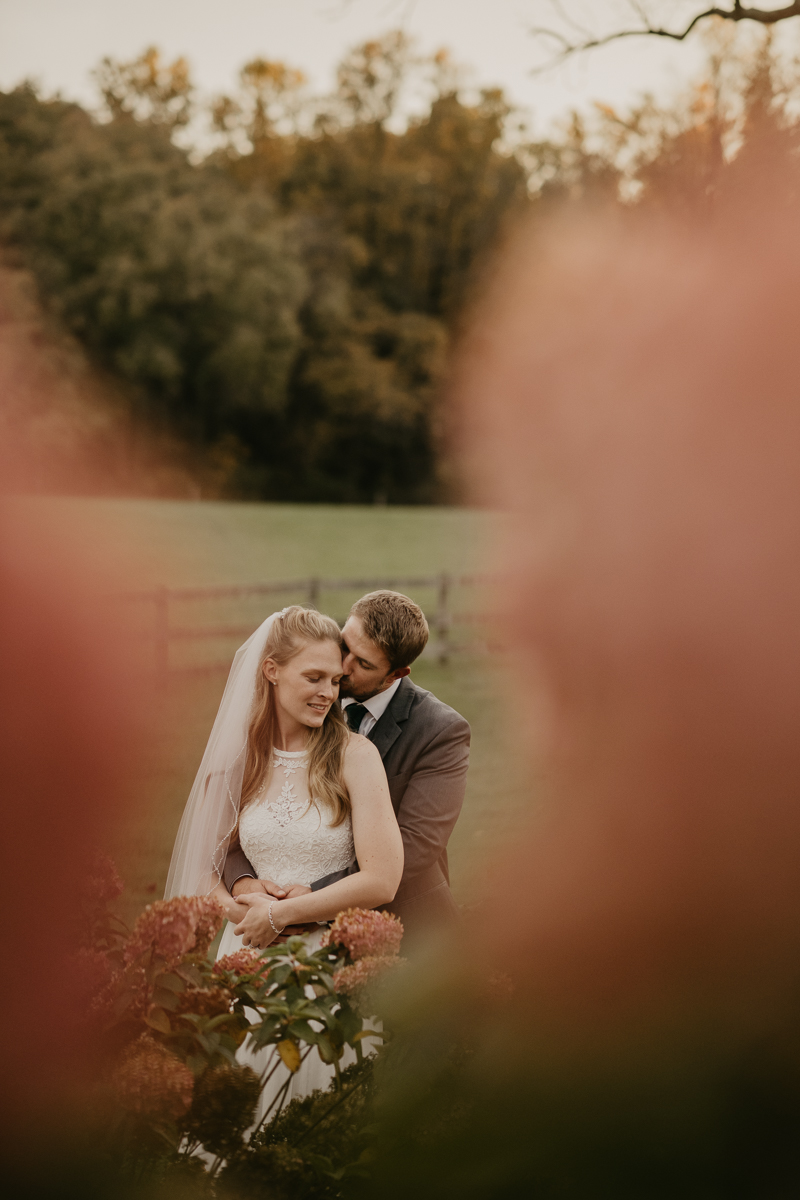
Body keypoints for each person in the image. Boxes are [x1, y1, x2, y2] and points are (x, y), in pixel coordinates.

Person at [165, 605, 403, 1107]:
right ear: (272, 671)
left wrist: (280, 914)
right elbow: (205, 871)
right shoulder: (237, 764)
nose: (328, 693)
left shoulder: (355, 756)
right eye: (313, 677)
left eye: (335, 680)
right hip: (247, 963)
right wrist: (238, 912)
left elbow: (383, 879)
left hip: (327, 970)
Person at [225, 590, 471, 946]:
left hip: (400, 931)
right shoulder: (309, 692)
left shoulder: (440, 731)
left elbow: (414, 845)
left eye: (363, 663)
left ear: (395, 674)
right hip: (271, 925)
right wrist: (243, 883)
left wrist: (306, 900)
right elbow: (238, 818)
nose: (343, 667)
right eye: (345, 646)